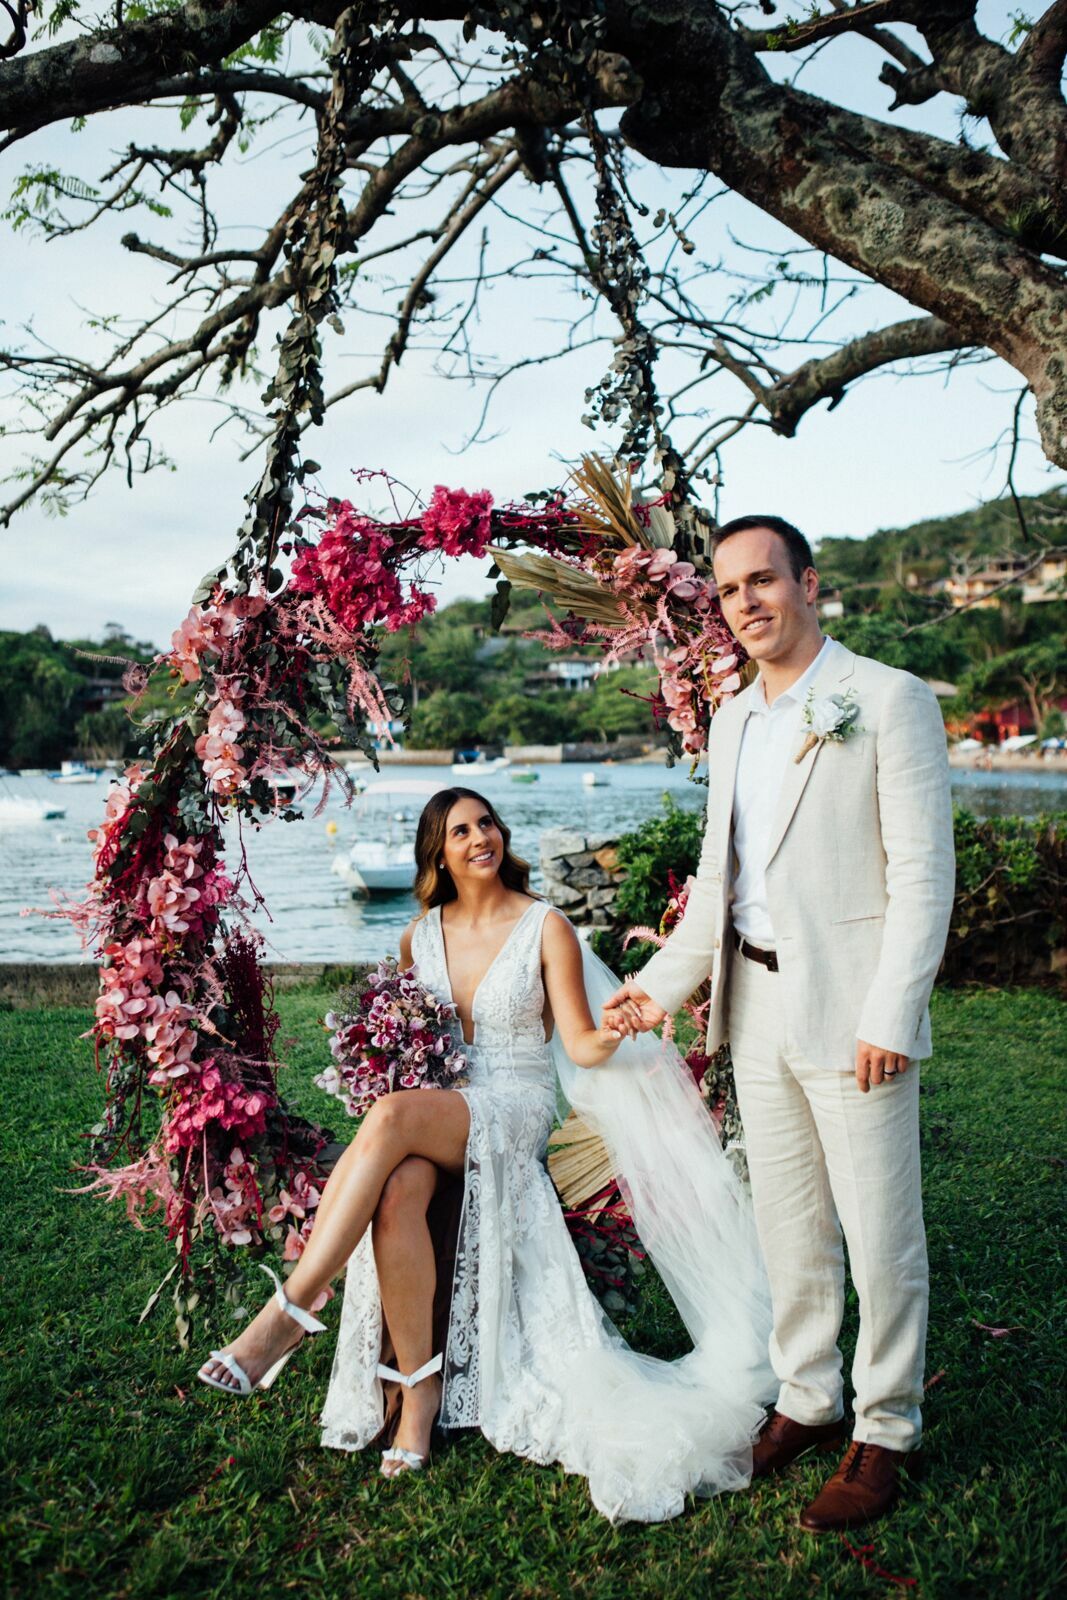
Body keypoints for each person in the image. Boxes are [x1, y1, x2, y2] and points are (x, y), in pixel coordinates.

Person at [198, 788, 773, 1523]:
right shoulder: (418, 937)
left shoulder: (545, 928)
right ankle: (419, 1397)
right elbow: (410, 1040)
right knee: (401, 1182)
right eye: (460, 830)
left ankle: (293, 1305)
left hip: (513, 1108)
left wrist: (625, 1024)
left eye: (486, 824)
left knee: (391, 1116)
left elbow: (579, 1042)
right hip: (441, 1112)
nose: (480, 838)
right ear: (438, 850)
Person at [604, 514, 955, 1533]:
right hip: (751, 1007)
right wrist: (655, 990)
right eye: (725, 590)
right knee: (786, 1221)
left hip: (855, 1014)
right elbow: (721, 885)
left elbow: (922, 878)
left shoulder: (886, 701)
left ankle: (884, 1427)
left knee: (878, 1233)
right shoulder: (733, 720)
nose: (744, 602)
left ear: (807, 584)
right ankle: (807, 1396)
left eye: (762, 581)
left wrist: (892, 1009)